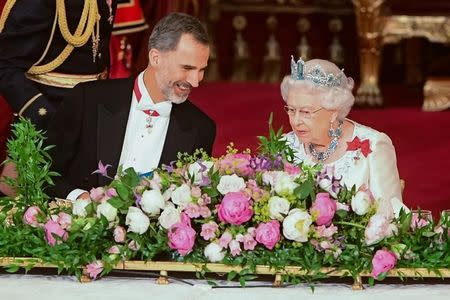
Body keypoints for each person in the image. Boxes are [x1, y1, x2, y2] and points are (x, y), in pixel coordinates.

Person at [45, 12, 216, 200]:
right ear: (155, 58)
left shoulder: (201, 128)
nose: (196, 81)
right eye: (187, 68)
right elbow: (45, 172)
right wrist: (79, 199)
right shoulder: (89, 99)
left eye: (202, 70)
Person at [0, 0, 117, 195]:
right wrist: (41, 114)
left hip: (90, 122)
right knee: (23, 207)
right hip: (45, 125)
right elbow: (4, 64)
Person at [281, 57, 403, 205]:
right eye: (292, 110)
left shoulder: (374, 147)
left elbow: (393, 219)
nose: (296, 121)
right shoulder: (285, 145)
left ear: (333, 111)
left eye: (306, 112)